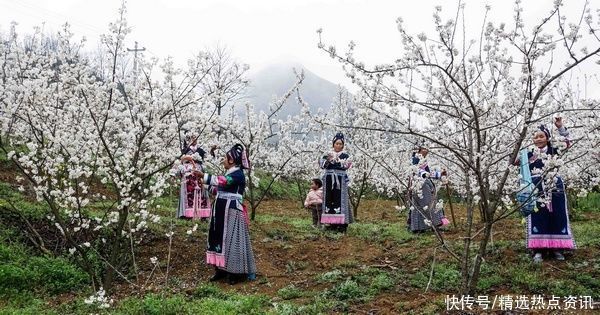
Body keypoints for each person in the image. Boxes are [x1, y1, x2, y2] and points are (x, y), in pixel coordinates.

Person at [518, 117, 576, 263]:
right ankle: (538, 249)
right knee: (538, 215)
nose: (538, 139)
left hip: (555, 186)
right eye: (535, 137)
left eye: (541, 136)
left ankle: (557, 248)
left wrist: (560, 127)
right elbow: (513, 162)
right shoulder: (528, 154)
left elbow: (568, 143)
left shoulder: (554, 150)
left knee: (557, 215)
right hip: (535, 189)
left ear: (547, 137)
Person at [197, 144, 257, 284]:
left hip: (232, 212)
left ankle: (234, 272)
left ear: (231, 160)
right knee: (217, 238)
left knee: (231, 239)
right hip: (220, 210)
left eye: (225, 158)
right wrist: (204, 185)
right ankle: (220, 269)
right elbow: (219, 189)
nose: (223, 160)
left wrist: (205, 177)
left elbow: (223, 182)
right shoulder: (230, 174)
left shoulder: (238, 175)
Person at [407, 145, 449, 233]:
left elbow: (428, 173)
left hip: (426, 185)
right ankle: (418, 228)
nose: (427, 151)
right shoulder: (415, 158)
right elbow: (416, 171)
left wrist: (440, 174)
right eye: (425, 149)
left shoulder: (423, 160)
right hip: (419, 186)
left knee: (431, 205)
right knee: (422, 206)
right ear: (420, 149)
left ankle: (435, 225)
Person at [320, 132, 353, 232]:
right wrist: (329, 160)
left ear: (343, 145)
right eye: (337, 143)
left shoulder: (345, 155)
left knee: (340, 200)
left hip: (340, 180)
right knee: (329, 200)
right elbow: (322, 165)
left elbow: (347, 165)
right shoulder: (327, 154)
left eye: (340, 144)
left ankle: (341, 224)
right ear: (333, 144)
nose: (338, 146)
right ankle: (330, 223)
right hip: (329, 179)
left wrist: (338, 162)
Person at [182, 133, 211, 219]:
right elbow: (181, 159)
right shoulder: (186, 150)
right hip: (188, 172)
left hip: (198, 171)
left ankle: (202, 213)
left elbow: (207, 158)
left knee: (201, 190)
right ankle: (188, 214)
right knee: (188, 192)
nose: (194, 140)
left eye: (195, 138)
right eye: (192, 138)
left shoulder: (201, 150)